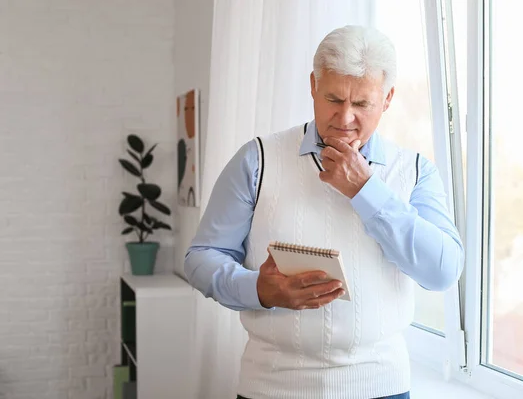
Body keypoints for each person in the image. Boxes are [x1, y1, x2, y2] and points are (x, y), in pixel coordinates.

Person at [185, 25, 464, 399]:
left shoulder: (414, 172)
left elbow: (442, 270)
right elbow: (201, 257)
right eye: (333, 98)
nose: (345, 118)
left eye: (362, 103)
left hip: (382, 387)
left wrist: (366, 191)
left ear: (387, 99)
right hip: (271, 387)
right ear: (313, 86)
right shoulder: (257, 159)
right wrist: (257, 289)